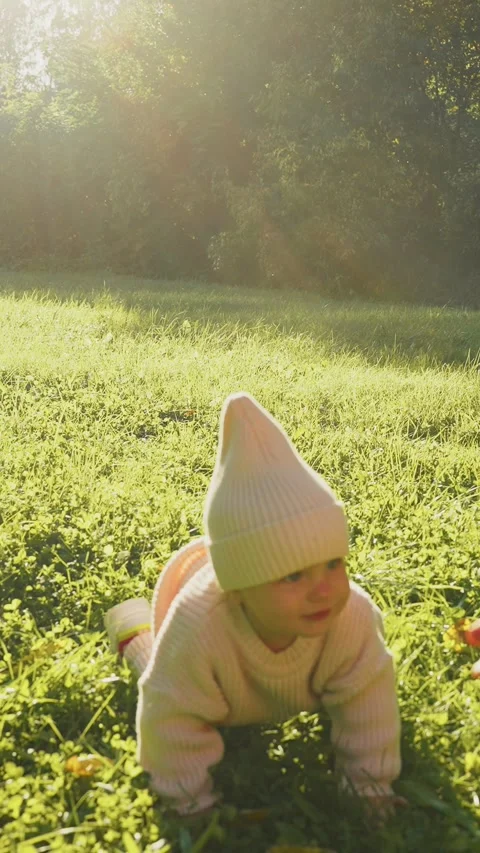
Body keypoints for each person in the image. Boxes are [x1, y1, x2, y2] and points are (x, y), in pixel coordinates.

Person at [105, 392, 402, 819]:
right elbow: (169, 716)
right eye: (293, 575)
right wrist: (191, 804)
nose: (323, 591)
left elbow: (367, 697)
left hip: (306, 682)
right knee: (156, 666)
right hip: (221, 691)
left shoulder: (349, 613)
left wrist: (369, 787)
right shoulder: (198, 628)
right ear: (239, 589)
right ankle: (131, 626)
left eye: (333, 564)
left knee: (356, 658)